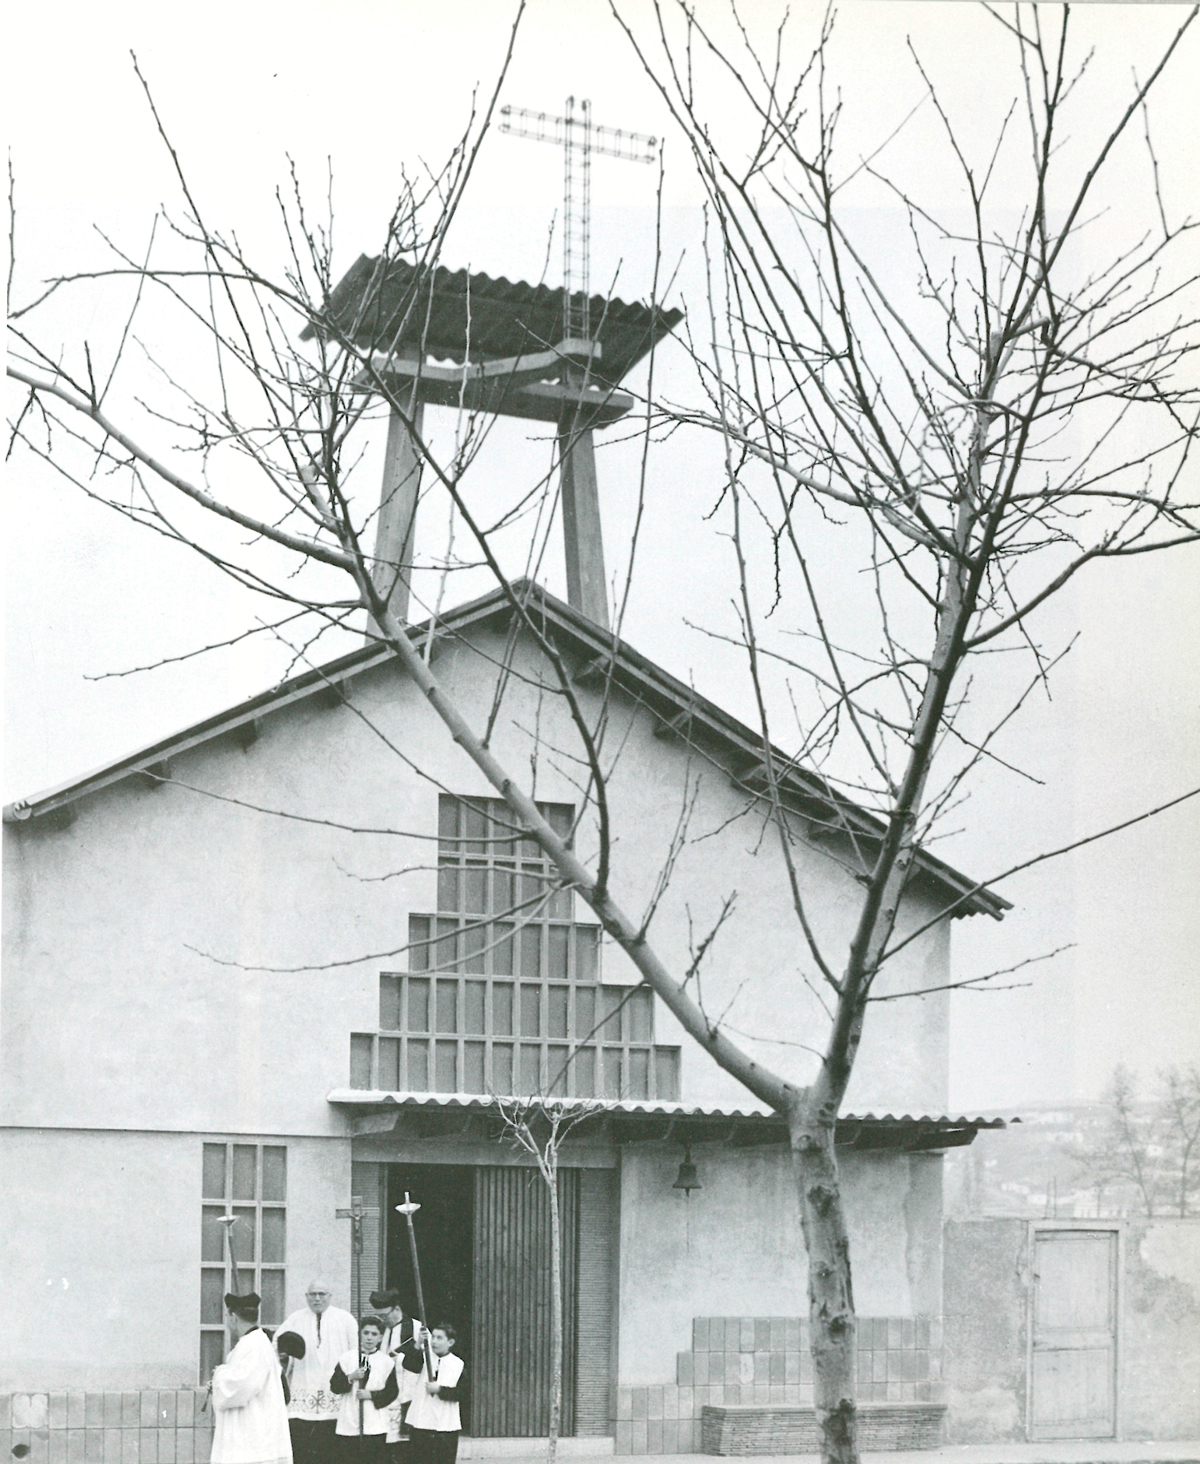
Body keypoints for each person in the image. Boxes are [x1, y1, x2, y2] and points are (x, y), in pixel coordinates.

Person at [278, 1281, 359, 1464]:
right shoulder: (295, 1319)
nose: (317, 1298)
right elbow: (279, 1346)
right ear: (306, 1296)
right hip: (303, 1390)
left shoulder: (345, 1320)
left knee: (331, 1452)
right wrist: (284, 1356)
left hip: (335, 1397)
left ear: (330, 1296)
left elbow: (355, 1354)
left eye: (321, 1294)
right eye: (312, 1294)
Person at [210, 1292, 293, 1464]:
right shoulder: (255, 1343)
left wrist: (219, 1374)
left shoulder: (254, 1345)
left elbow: (240, 1387)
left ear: (233, 1316)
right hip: (252, 1437)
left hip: (254, 1439)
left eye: (227, 1315)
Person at [330, 1317, 399, 1464]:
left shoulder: (386, 1362)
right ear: (359, 1334)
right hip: (350, 1417)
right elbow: (334, 1386)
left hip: (374, 1420)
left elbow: (392, 1391)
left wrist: (372, 1395)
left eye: (374, 1334)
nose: (369, 1337)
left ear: (380, 1337)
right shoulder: (347, 1358)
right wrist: (351, 1377)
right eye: (366, 1333)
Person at [367, 1290, 423, 1454]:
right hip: (386, 1394)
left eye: (385, 1316)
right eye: (379, 1317)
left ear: (397, 1309)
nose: (382, 1320)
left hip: (408, 1394)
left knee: (405, 1445)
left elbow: (423, 1362)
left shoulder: (415, 1328)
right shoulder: (382, 1330)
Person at [400, 1324, 465, 1464]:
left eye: (439, 1338)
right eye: (433, 1337)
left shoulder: (458, 1364)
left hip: (445, 1423)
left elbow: (463, 1393)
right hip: (422, 1420)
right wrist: (418, 1344)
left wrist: (440, 1390)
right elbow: (409, 1365)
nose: (434, 1341)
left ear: (450, 1342)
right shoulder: (424, 1357)